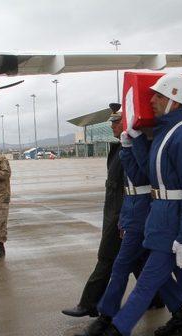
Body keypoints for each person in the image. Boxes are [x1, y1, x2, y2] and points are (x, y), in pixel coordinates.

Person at [65, 73, 182, 336]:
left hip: (176, 228)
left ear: (175, 99)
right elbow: (150, 178)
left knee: (147, 284)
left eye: (159, 96)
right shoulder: (169, 132)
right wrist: (133, 144)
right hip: (165, 222)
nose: (151, 100)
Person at [71, 109, 182, 336]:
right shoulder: (125, 144)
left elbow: (142, 178)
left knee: (122, 265)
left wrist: (132, 145)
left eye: (116, 121)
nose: (113, 126)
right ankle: (179, 314)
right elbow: (126, 188)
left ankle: (106, 318)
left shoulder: (144, 142)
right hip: (134, 210)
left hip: (145, 212)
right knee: (149, 268)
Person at [61, 107, 163, 317]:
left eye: (116, 121)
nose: (112, 125)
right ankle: (158, 297)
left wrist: (121, 220)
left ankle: (89, 303)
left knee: (107, 258)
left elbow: (133, 187)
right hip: (119, 212)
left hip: (124, 214)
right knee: (137, 260)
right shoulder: (119, 147)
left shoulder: (135, 147)